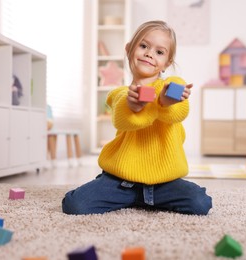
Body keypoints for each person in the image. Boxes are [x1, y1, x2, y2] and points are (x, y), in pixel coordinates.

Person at [62, 20, 212, 215]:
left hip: (164, 183)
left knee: (200, 203)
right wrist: (134, 106)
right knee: (74, 205)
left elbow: (179, 113)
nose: (150, 53)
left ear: (167, 63)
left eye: (159, 52)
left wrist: (164, 102)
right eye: (143, 46)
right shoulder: (120, 94)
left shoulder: (172, 84)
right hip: (121, 181)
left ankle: (151, 199)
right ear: (129, 49)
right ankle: (127, 197)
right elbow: (122, 119)